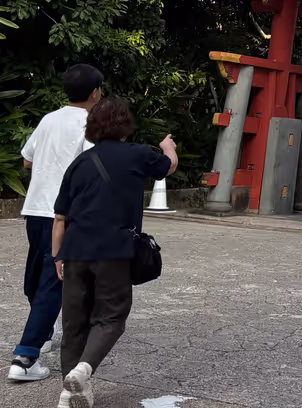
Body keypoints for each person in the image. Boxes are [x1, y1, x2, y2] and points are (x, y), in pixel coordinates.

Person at [52, 97, 177, 408]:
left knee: (74, 324)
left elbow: (59, 217)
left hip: (75, 249)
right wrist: (168, 147)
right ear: (125, 125)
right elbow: (167, 168)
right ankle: (83, 370)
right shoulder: (138, 155)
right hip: (114, 250)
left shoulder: (80, 163)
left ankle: (70, 394)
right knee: (111, 316)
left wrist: (57, 256)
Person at [9, 64, 104, 384]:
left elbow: (27, 160)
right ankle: (25, 356)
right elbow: (94, 168)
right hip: (64, 214)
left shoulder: (49, 118)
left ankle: (42, 329)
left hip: (35, 208)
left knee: (38, 275)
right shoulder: (91, 123)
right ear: (95, 93)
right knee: (54, 280)